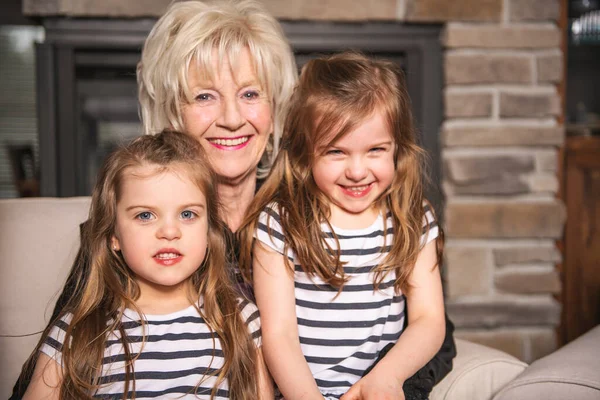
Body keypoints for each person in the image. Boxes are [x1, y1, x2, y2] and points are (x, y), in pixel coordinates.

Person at [12, 0, 455, 398]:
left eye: (249, 94)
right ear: (171, 111)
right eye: (205, 96)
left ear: (276, 106)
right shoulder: (131, 232)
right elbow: (61, 359)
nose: (231, 119)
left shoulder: (317, 209)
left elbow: (429, 330)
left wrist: (375, 387)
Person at [240, 52, 446, 400]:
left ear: (397, 149)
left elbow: (429, 319)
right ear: (307, 154)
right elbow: (279, 336)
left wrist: (386, 378)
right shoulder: (280, 223)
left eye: (375, 150)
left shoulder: (413, 217)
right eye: (336, 152)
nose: (356, 171)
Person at [21, 130, 271, 399]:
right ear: (113, 235)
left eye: (188, 214)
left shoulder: (241, 321)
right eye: (145, 215)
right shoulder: (78, 331)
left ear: (210, 232)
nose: (169, 231)